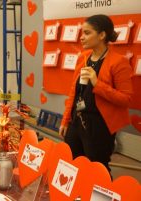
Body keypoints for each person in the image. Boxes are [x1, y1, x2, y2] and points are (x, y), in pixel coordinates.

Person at [59, 14, 133, 173]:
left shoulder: (119, 62)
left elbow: (125, 99)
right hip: (77, 120)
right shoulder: (84, 58)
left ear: (102, 35)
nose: (82, 37)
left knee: (97, 169)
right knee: (72, 164)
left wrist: (97, 83)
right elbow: (74, 91)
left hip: (100, 125)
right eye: (81, 33)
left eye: (87, 33)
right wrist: (66, 120)